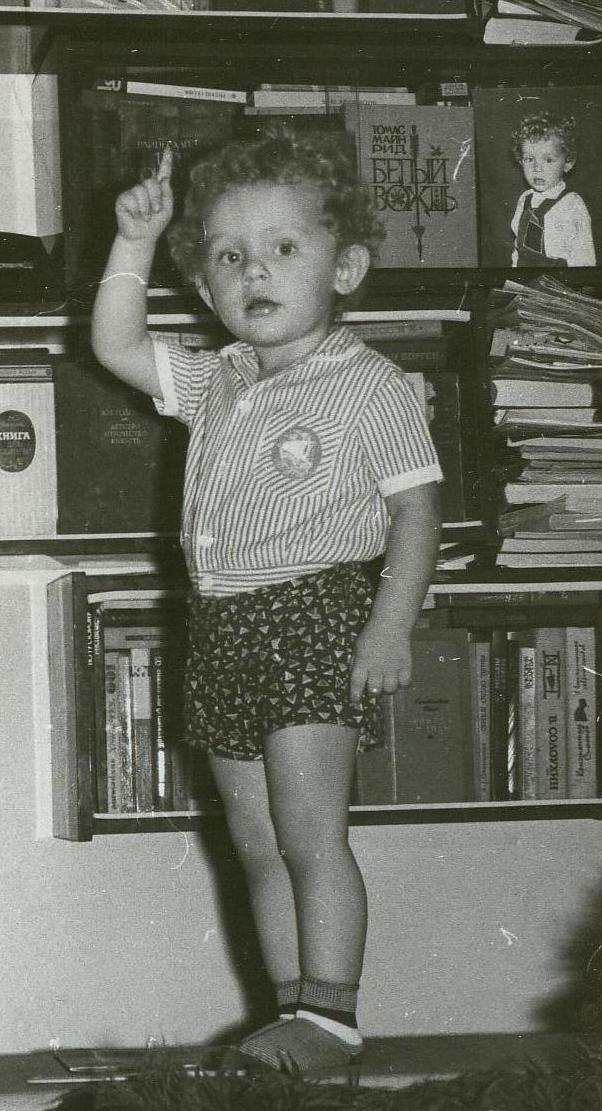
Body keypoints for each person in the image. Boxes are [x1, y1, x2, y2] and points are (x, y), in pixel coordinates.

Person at [91, 126, 443, 1074]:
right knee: (254, 841)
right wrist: (134, 241)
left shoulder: (370, 384)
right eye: (229, 255)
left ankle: (331, 1017)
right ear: (207, 289)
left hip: (314, 615)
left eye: (285, 247)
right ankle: (292, 1016)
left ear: (346, 267)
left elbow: (417, 511)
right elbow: (115, 342)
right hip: (221, 625)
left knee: (308, 831)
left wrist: (390, 624)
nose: (255, 270)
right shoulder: (218, 377)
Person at [510, 112, 596, 268]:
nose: (537, 168)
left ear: (567, 163)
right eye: (529, 159)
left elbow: (585, 259)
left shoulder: (572, 204)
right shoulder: (524, 199)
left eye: (548, 160)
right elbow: (518, 249)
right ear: (521, 161)